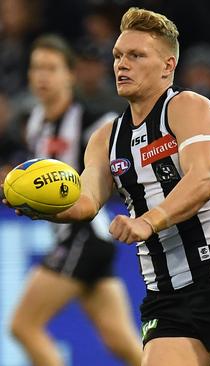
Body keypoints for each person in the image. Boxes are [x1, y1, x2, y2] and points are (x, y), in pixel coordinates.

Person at [4, 8, 210, 366]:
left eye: (136, 55)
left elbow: (203, 180)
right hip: (166, 298)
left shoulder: (189, 107)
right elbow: (86, 202)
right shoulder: (106, 138)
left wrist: (148, 221)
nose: (122, 64)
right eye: (118, 55)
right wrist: (40, 206)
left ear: (168, 66)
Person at [8, 34, 142, 366]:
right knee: (119, 339)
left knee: (23, 326)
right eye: (36, 67)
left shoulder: (92, 121)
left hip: (82, 235)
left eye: (51, 68)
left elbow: (118, 169)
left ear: (70, 75)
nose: (42, 76)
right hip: (89, 241)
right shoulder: (36, 122)